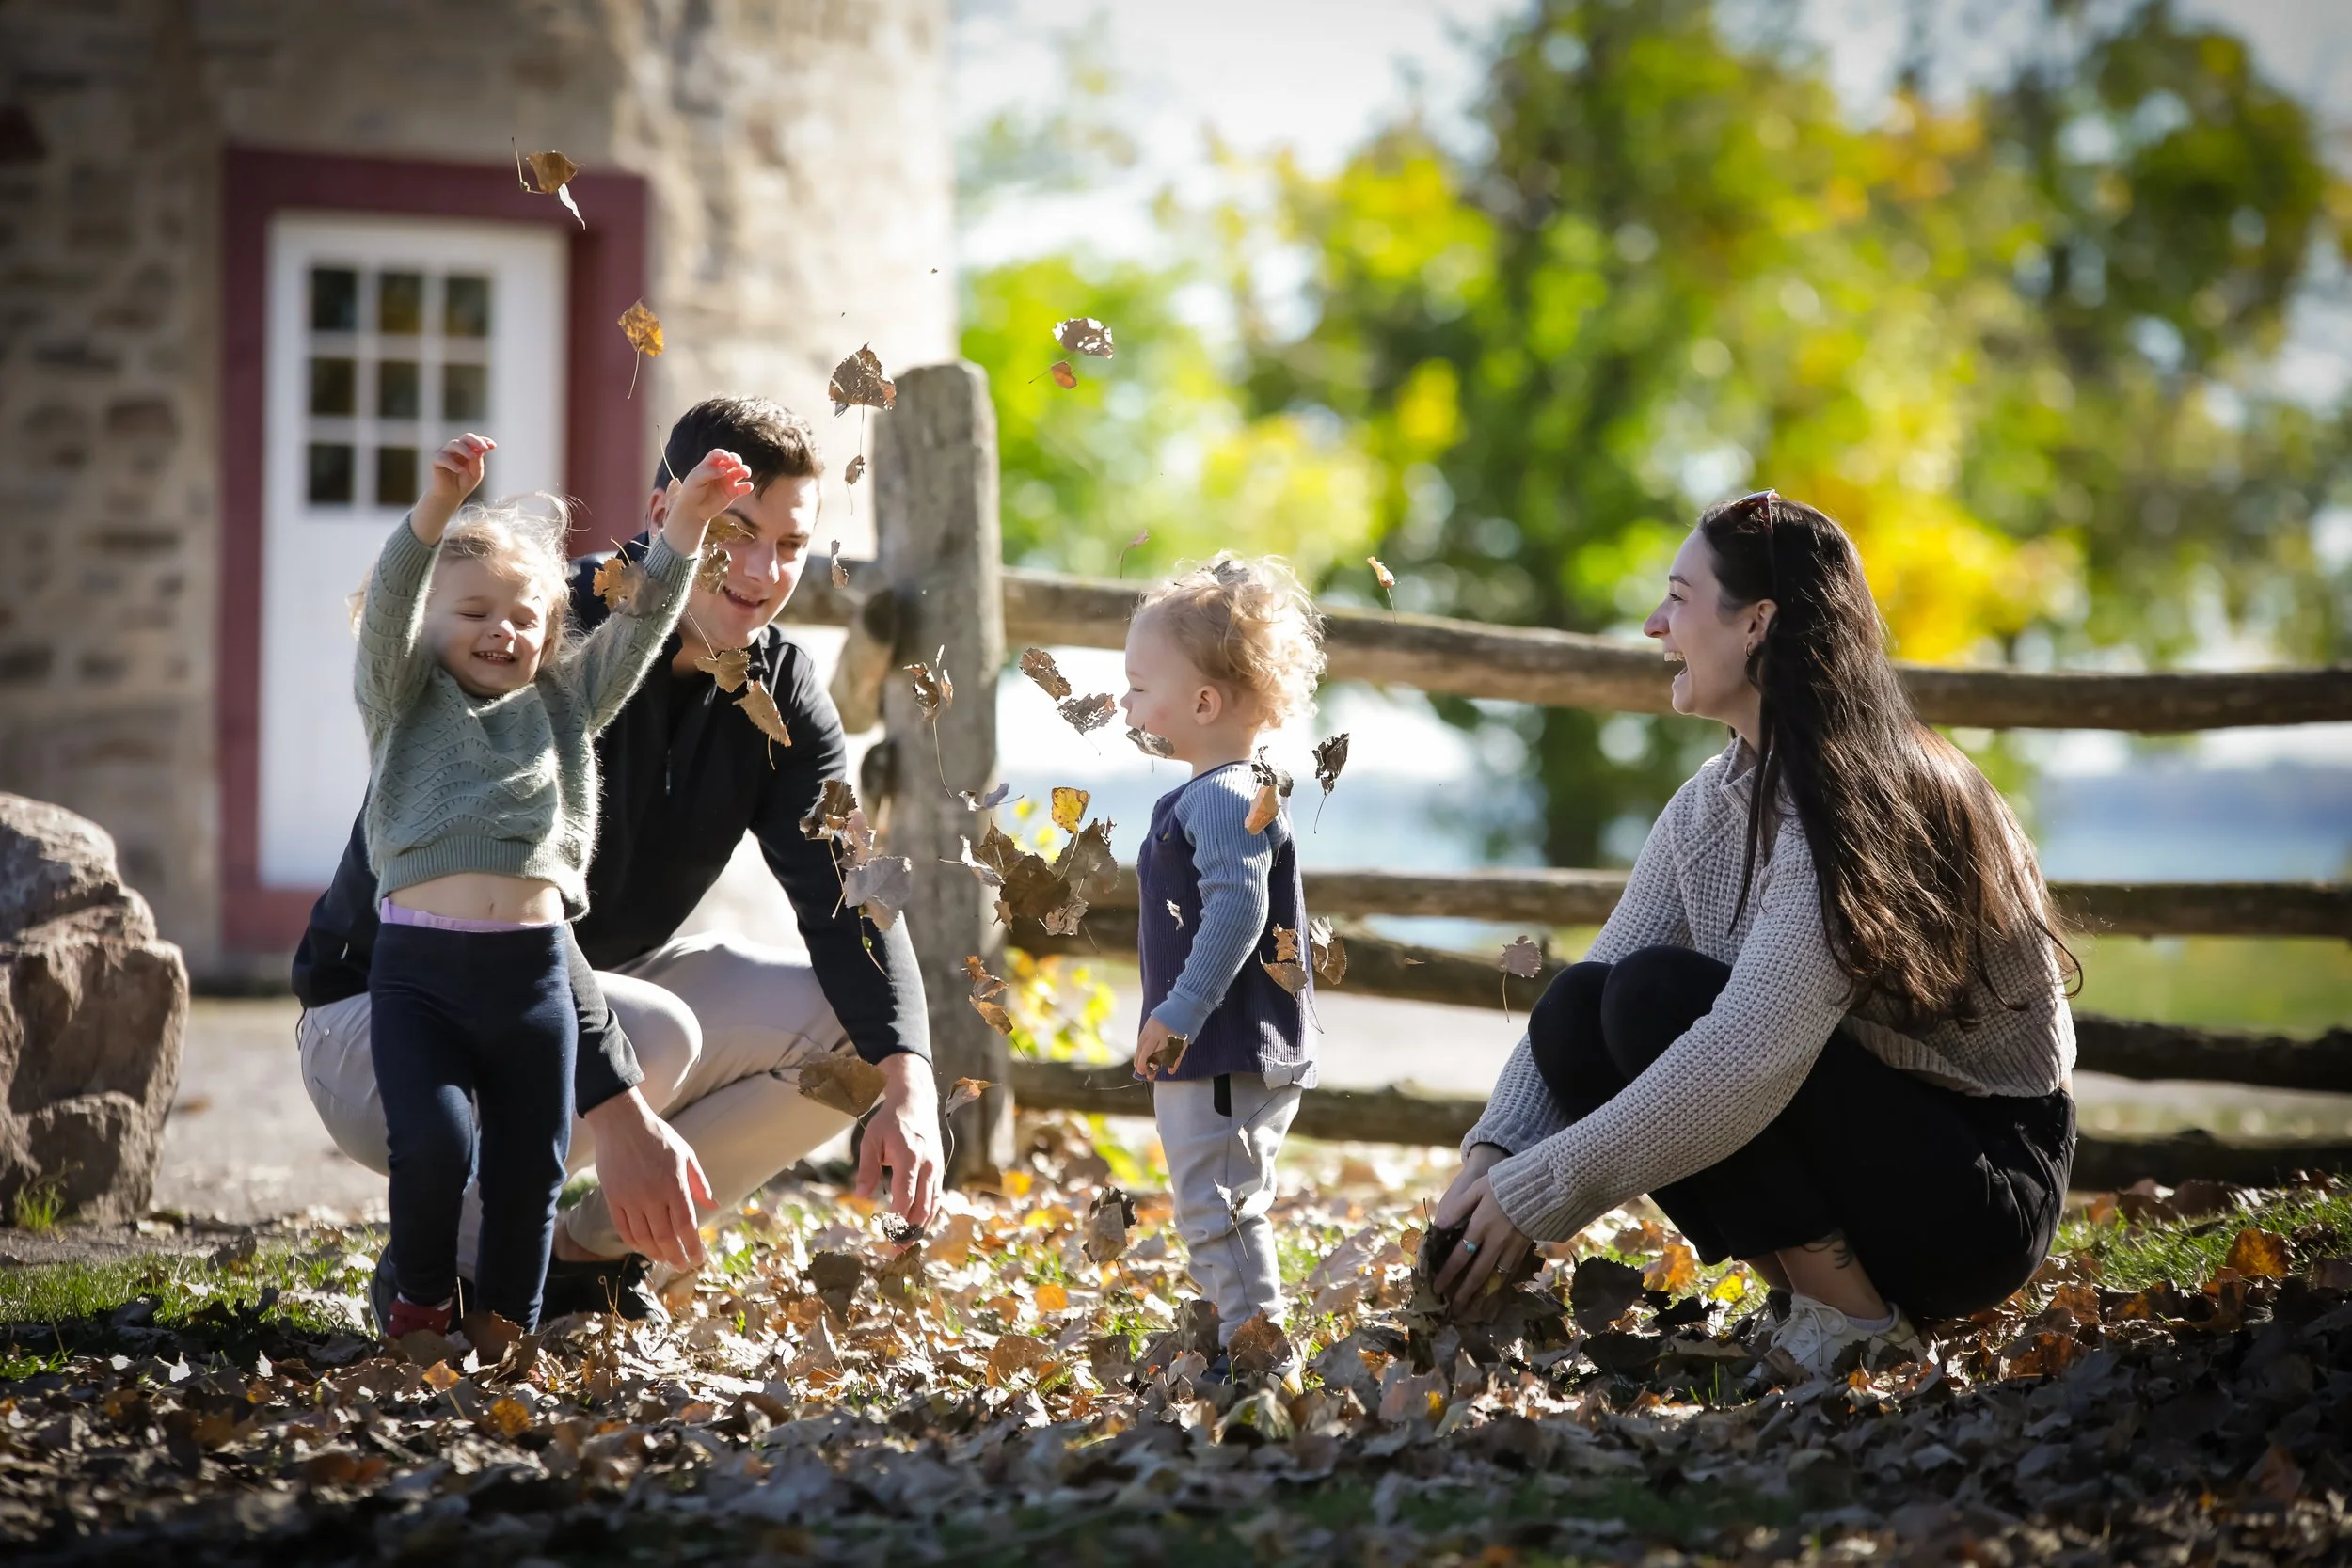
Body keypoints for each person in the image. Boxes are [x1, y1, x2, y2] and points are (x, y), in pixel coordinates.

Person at [295, 398, 943, 1324]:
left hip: (577, 997)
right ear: (663, 510)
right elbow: (516, 905)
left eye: (790, 546)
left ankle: (581, 1254)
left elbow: (854, 891)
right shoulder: (536, 631)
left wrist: (909, 1081)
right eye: (733, 533)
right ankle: (443, 1264)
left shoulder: (780, 692)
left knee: (858, 1041)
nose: (762, 573)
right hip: (387, 1009)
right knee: (656, 1035)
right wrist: (621, 1108)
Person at [1432, 490, 2078, 1380]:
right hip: (1875, 1149)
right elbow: (1593, 995)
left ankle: (1853, 1320)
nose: (1656, 625)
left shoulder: (1863, 798)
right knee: (1591, 1002)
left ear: (1757, 623)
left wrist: (1539, 1192)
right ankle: (1812, 1298)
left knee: (1660, 1001)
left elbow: (1749, 1056)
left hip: (1979, 1187)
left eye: (1679, 598)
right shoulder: (1712, 800)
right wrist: (1492, 1158)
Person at [352, 430, 749, 1333]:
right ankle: (419, 1301)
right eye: (475, 611)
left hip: (532, 981)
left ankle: (507, 1331)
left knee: (531, 1171)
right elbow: (385, 615)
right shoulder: (400, 703)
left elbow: (642, 626)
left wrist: (686, 525)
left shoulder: (565, 707)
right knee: (435, 1145)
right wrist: (436, 512)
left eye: (526, 616)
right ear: (427, 624)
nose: (504, 629)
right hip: (419, 977)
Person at [1121, 554, 1327, 1375]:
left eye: (1140, 686)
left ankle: (1264, 1362)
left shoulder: (1218, 795)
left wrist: (1180, 1010)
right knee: (1216, 1200)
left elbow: (1237, 912)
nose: (1126, 701)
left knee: (1222, 1206)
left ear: (1204, 702)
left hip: (1221, 1048)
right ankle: (1227, 1338)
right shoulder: (1229, 788)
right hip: (1224, 1051)